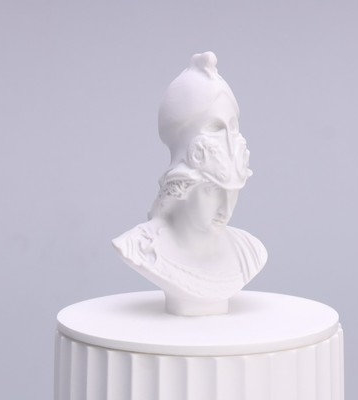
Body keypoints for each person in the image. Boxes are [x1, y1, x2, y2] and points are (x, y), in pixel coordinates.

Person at [112, 52, 267, 316]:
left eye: (233, 192)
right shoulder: (141, 246)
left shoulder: (248, 251)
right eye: (212, 190)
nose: (225, 209)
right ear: (181, 185)